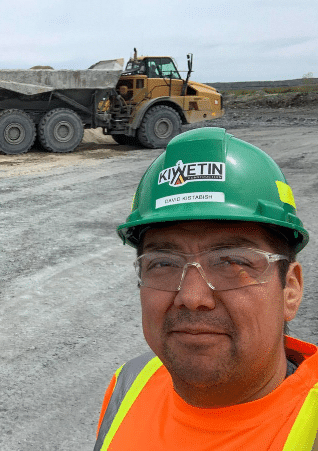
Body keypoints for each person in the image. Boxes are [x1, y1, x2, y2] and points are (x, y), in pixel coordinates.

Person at [94, 127, 318, 451]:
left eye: (230, 262)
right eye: (163, 263)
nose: (192, 297)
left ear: (290, 290)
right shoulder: (129, 384)